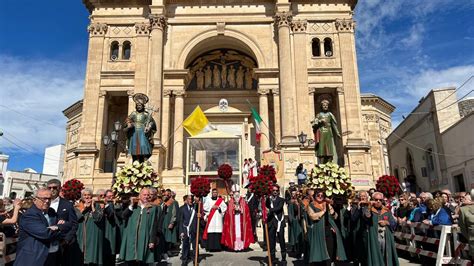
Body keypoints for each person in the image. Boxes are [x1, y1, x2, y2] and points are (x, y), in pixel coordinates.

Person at [14, 188, 65, 266]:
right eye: (44, 199)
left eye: (49, 199)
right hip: (32, 259)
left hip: (52, 256)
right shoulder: (29, 215)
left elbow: (63, 227)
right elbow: (45, 234)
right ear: (35, 200)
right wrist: (59, 228)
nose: (47, 201)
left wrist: (57, 227)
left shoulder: (52, 212)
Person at [119, 187, 161, 264]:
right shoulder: (133, 206)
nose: (146, 197)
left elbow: (154, 225)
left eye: (148, 195)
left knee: (143, 261)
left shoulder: (152, 208)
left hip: (144, 238)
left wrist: (152, 240)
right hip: (131, 238)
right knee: (131, 260)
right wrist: (131, 205)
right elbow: (123, 216)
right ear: (139, 196)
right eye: (144, 195)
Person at [305, 189, 346, 265]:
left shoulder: (327, 204)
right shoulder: (311, 205)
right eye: (318, 195)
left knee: (329, 250)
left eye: (322, 195)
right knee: (319, 250)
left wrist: (331, 210)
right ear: (315, 196)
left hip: (328, 230)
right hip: (318, 230)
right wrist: (323, 211)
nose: (320, 197)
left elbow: (335, 216)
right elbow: (312, 216)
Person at [46, 179, 79, 266]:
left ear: (59, 188)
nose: (52, 190)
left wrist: (66, 240)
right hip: (45, 242)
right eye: (49, 187)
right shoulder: (42, 203)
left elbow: (74, 224)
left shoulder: (67, 205)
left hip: (62, 244)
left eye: (54, 187)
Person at [363, 192, 398, 266]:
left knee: (385, 254)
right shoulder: (368, 209)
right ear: (372, 200)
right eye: (376, 199)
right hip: (374, 236)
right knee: (375, 254)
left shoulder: (386, 210)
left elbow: (394, 223)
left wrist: (387, 222)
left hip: (385, 236)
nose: (378, 201)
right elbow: (367, 217)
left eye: (380, 200)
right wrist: (369, 207)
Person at [76, 188, 105, 265]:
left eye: (89, 195)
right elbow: (75, 218)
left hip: (93, 237)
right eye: (85, 195)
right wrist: (84, 208)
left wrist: (92, 207)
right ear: (82, 196)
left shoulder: (97, 205)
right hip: (81, 236)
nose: (87, 197)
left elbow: (98, 218)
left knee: (92, 259)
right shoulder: (77, 205)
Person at [124, 93, 157, 162]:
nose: (139, 106)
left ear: (143, 106)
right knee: (135, 150)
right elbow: (128, 119)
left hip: (143, 133)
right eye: (137, 105)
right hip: (135, 133)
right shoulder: (133, 113)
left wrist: (149, 127)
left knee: (144, 147)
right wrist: (129, 124)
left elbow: (152, 122)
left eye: (140, 105)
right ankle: (135, 162)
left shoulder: (146, 114)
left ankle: (144, 163)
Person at [221, 184, 254, 251]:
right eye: (235, 193)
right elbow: (228, 212)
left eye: (238, 193)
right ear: (233, 193)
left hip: (241, 219)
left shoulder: (243, 201)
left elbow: (246, 210)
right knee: (235, 232)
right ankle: (234, 246)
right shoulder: (230, 202)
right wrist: (233, 210)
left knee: (240, 232)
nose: (236, 194)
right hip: (234, 220)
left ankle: (241, 247)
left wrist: (241, 210)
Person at [311, 98, 341, 163]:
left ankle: (330, 164)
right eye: (324, 105)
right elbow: (314, 124)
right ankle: (321, 164)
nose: (325, 106)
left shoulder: (330, 114)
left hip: (328, 132)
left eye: (326, 105)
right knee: (321, 149)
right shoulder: (319, 115)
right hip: (321, 132)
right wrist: (320, 121)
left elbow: (334, 124)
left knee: (329, 149)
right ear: (321, 106)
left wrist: (337, 133)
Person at [266, 185, 287, 264]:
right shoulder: (269, 199)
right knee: (272, 241)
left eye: (276, 190)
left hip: (279, 222)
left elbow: (278, 208)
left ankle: (283, 259)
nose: (275, 192)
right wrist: (266, 198)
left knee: (281, 240)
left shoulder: (281, 200)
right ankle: (272, 259)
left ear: (278, 191)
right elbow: (266, 205)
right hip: (271, 223)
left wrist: (270, 210)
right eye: (273, 190)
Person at [103, 189, 121, 266]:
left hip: (113, 233)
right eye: (109, 196)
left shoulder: (116, 205)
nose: (111, 198)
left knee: (111, 256)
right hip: (105, 232)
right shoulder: (104, 205)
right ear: (105, 197)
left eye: (112, 196)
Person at [179, 195, 198, 266]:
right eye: (189, 199)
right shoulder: (182, 208)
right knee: (185, 245)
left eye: (191, 199)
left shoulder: (196, 208)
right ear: (186, 200)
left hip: (194, 229)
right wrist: (181, 231)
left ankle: (195, 260)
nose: (190, 200)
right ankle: (184, 260)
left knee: (195, 246)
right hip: (185, 230)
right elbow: (180, 221)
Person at [161, 189, 178, 262]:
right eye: (165, 195)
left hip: (168, 222)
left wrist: (172, 222)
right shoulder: (162, 202)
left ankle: (166, 251)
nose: (166, 196)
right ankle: (163, 252)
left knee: (168, 238)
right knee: (162, 238)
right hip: (162, 222)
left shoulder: (173, 202)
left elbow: (174, 213)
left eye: (168, 194)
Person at [458, 189, 474, 261]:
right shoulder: (463, 210)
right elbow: (462, 227)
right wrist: (470, 237)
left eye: (464, 198)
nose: (462, 199)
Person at [287, 190, 303, 259]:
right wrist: (292, 220)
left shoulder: (300, 201)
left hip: (299, 221)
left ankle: (298, 251)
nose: (294, 195)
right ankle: (295, 250)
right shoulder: (291, 202)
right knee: (294, 236)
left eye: (295, 194)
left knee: (298, 236)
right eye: (293, 194)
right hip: (295, 221)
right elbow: (290, 212)